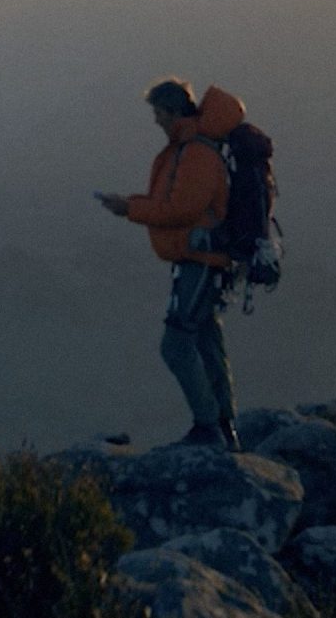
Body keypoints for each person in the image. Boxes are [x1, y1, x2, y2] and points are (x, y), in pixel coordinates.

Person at [97, 77, 247, 451]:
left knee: (177, 345)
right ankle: (224, 430)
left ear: (173, 111)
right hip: (204, 261)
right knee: (208, 342)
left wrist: (128, 208)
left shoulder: (195, 154)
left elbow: (181, 209)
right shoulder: (190, 148)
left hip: (201, 262)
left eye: (158, 113)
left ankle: (207, 428)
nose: (156, 121)